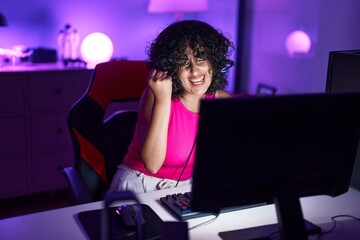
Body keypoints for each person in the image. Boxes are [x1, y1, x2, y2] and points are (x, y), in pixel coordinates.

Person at [109, 20, 235, 194]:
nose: (194, 70)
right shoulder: (155, 95)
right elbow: (152, 164)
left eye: (201, 57)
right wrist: (162, 98)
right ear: (171, 67)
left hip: (188, 190)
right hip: (140, 186)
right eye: (183, 62)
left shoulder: (223, 101)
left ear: (213, 60)